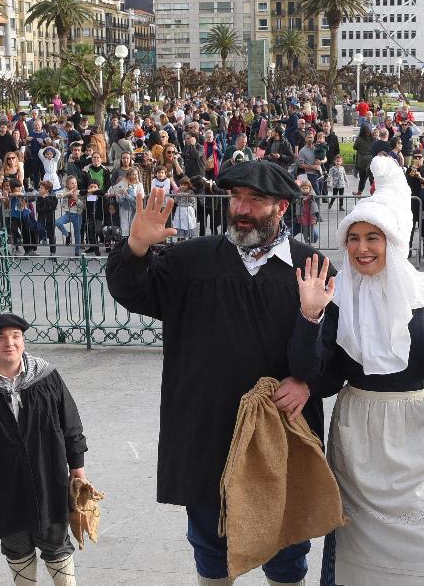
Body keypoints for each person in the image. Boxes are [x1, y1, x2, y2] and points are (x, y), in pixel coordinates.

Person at [106, 160, 330, 586]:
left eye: (256, 200)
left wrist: (308, 381)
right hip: (208, 430)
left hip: (281, 434)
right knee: (211, 544)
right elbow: (133, 291)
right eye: (236, 198)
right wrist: (135, 248)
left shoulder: (311, 268)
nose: (242, 208)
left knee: (287, 546)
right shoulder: (192, 261)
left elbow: (337, 351)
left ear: (281, 207)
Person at [288, 155, 424, 586]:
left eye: (373, 237)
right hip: (360, 436)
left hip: (421, 433)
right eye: (354, 238)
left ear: (392, 241)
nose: (362, 248)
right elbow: (319, 378)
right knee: (357, 553)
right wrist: (310, 317)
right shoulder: (336, 297)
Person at [0, 313, 88, 586]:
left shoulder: (46, 377)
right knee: (17, 545)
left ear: (23, 341)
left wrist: (77, 468)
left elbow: (71, 424)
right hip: (1, 487)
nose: (9, 343)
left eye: (16, 336)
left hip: (48, 479)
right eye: (0, 338)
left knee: (56, 543)